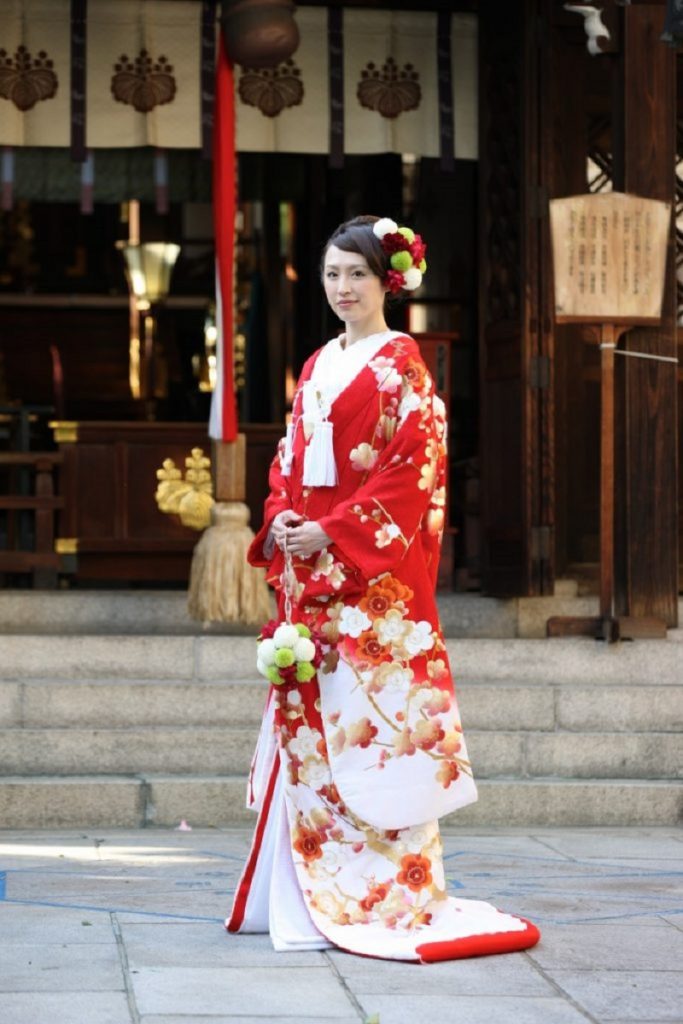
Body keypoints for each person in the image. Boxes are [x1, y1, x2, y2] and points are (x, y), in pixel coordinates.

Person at [226, 214, 540, 961]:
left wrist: (331, 532)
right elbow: (286, 461)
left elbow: (411, 472)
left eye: (357, 274)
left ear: (386, 280)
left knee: (371, 737)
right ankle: (303, 892)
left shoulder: (403, 366)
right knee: (313, 728)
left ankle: (378, 893)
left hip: (368, 590)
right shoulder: (316, 364)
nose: (343, 288)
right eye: (333, 274)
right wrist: (284, 520)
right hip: (313, 576)